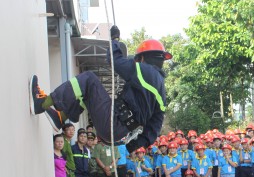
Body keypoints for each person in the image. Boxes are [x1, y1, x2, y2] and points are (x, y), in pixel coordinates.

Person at [29, 25, 169, 153]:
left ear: (143, 58)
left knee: (89, 79)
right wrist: (133, 145)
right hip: (118, 130)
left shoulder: (142, 70)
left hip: (113, 120)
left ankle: (41, 104)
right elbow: (153, 129)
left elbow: (114, 60)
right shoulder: (162, 93)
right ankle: (60, 117)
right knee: (88, 93)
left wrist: (114, 39)